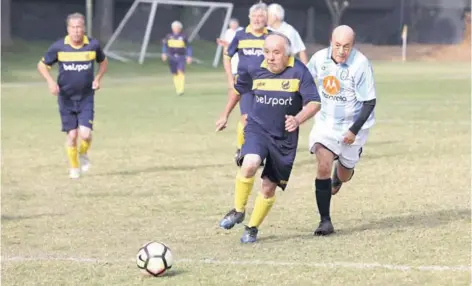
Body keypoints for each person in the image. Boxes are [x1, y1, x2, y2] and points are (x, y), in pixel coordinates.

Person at [216, 32, 321, 243]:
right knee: (249, 163)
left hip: (284, 139)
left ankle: (252, 227)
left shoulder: (299, 71)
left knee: (268, 187)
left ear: (287, 54)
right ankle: (238, 210)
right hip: (258, 129)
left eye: (276, 52)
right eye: (266, 52)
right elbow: (238, 90)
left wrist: (298, 119)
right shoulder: (254, 68)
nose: (270, 57)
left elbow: (314, 102)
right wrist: (225, 114)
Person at [306, 25, 377, 236]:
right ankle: (325, 221)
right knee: (323, 165)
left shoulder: (361, 64)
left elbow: (369, 102)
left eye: (346, 46)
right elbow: (304, 83)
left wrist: (354, 131)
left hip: (353, 127)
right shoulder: (319, 59)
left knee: (344, 174)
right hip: (326, 124)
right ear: (331, 41)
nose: (341, 51)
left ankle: (341, 175)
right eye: (337, 45)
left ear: (352, 46)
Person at [37, 12, 108, 179]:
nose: (76, 31)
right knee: (72, 135)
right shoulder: (59, 47)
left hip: (86, 97)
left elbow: (103, 62)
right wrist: (50, 82)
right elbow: (42, 65)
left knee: (85, 134)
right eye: (73, 27)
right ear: (68, 29)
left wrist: (98, 78)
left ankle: (83, 154)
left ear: (84, 28)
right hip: (66, 98)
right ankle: (74, 168)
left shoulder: (93, 45)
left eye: (79, 27)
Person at [223, 2, 269, 165]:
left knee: (264, 120)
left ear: (266, 18)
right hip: (247, 87)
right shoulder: (240, 35)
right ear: (249, 17)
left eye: (261, 16)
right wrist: (230, 79)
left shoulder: (271, 37)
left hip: (268, 87)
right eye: (255, 16)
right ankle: (241, 148)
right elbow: (227, 55)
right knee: (247, 119)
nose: (257, 19)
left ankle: (258, 150)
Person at [162, 21, 193, 96]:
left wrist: (189, 56)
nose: (175, 29)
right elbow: (165, 46)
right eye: (174, 27)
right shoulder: (168, 36)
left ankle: (181, 90)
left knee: (181, 71)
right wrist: (164, 53)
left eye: (177, 27)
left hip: (181, 57)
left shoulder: (183, 37)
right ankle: (177, 88)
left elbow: (188, 47)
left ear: (180, 28)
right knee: (175, 73)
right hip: (171, 57)